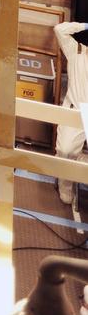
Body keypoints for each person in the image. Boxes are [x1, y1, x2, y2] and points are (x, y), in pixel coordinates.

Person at [53, 20, 88, 204]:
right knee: (65, 150)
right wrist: (84, 26)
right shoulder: (77, 51)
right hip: (74, 110)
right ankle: (64, 185)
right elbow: (59, 29)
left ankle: (80, 160)